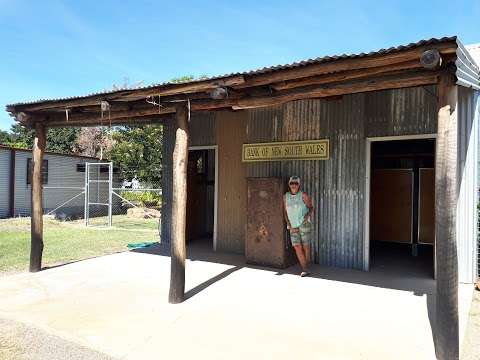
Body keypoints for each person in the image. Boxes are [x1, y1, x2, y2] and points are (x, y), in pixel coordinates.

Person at [283, 176, 314, 277]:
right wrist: (288, 223)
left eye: (296, 183)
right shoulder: (285, 196)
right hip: (293, 226)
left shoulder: (303, 195)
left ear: (299, 185)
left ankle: (306, 267)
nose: (294, 185)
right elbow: (285, 211)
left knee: (306, 246)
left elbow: (311, 208)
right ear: (289, 184)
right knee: (297, 246)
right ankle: (305, 268)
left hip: (304, 224)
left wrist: (307, 215)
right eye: (292, 183)